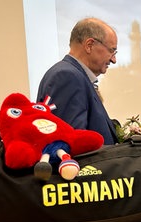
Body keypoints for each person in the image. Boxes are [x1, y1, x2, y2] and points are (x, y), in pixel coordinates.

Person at [37, 17, 119, 145]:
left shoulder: (73, 75)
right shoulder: (67, 76)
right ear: (89, 45)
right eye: (111, 51)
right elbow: (73, 144)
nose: (114, 60)